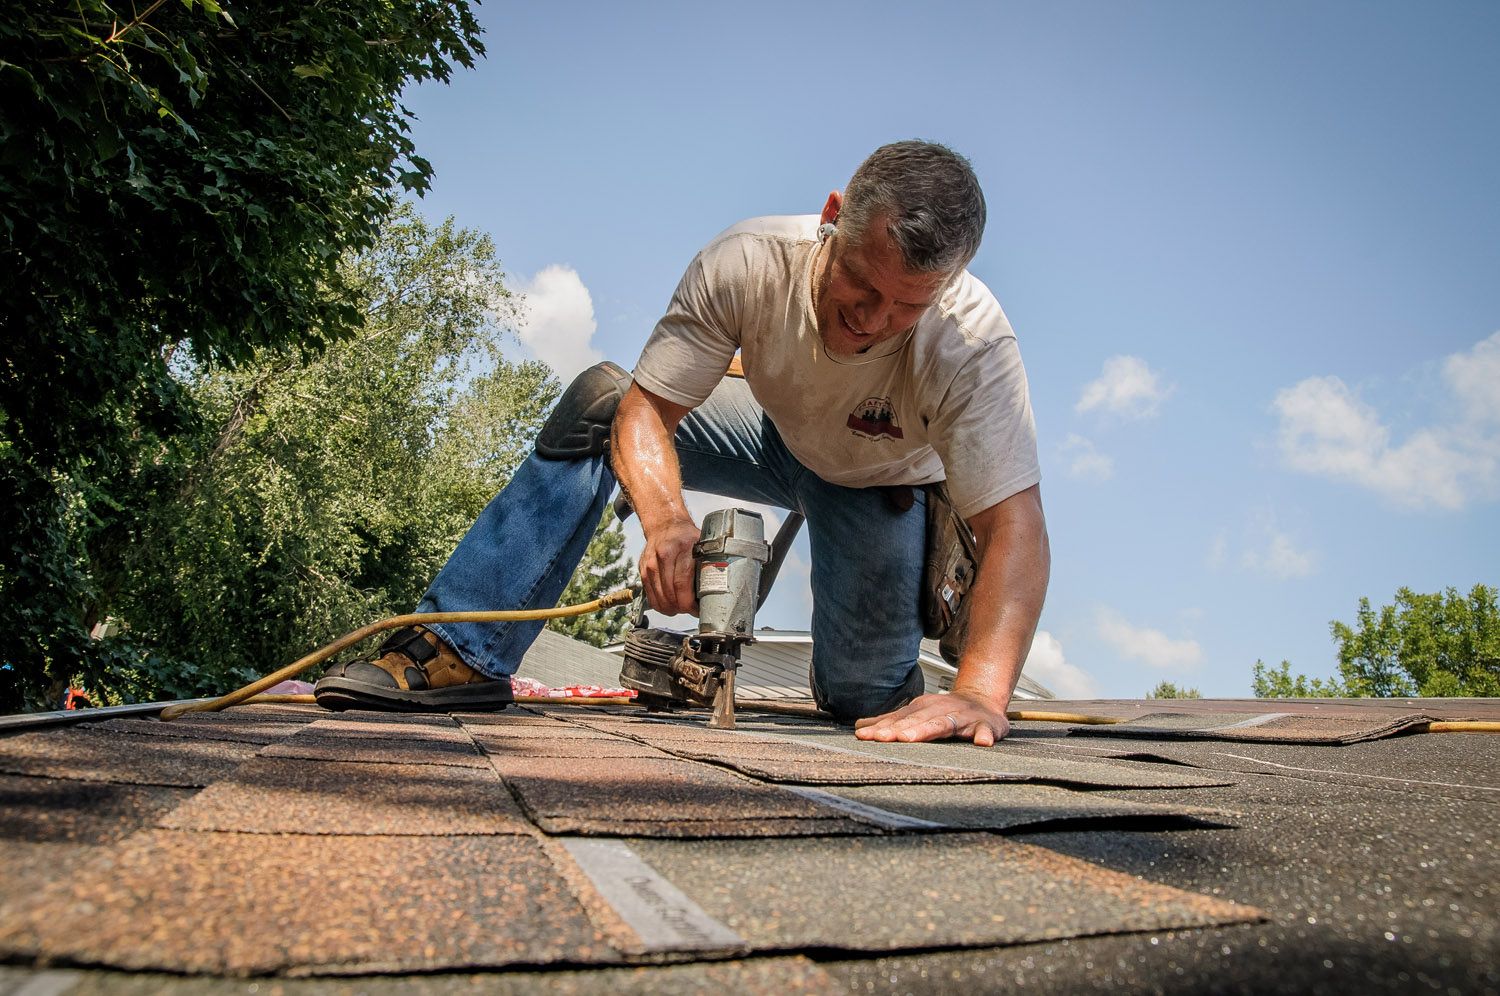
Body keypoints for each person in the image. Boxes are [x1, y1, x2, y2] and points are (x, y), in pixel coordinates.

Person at [316, 140, 1050, 746]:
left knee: (865, 700)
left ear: (948, 283)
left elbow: (1013, 524)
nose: (872, 319)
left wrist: (983, 694)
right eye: (860, 282)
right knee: (602, 401)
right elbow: (647, 410)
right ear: (833, 217)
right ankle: (457, 652)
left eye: (907, 307)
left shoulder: (972, 343)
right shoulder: (748, 261)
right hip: (768, 432)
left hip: (875, 478)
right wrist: (666, 518)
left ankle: (900, 626)